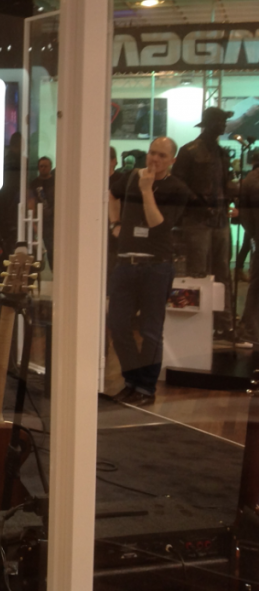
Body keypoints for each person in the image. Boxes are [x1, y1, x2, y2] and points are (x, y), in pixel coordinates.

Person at [108, 137, 190, 406]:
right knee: (118, 325)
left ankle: (145, 388)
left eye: (162, 155)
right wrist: (115, 223)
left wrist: (146, 191)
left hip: (157, 266)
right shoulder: (132, 176)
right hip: (126, 263)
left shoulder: (177, 189)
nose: (155, 159)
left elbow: (157, 223)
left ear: (172, 160)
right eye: (152, 153)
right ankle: (132, 380)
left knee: (150, 330)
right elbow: (111, 193)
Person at [171, 106, 235, 336]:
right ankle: (195, 326)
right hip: (197, 220)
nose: (224, 125)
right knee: (197, 273)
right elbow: (178, 183)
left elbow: (225, 182)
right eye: (220, 121)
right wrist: (199, 204)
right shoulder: (189, 151)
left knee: (223, 272)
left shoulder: (222, 152)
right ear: (210, 123)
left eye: (224, 121)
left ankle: (224, 324)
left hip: (220, 220)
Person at [238, 151, 259, 346]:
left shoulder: (250, 179)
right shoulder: (254, 180)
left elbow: (244, 215)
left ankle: (248, 327)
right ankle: (250, 330)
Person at [29, 156, 55, 268]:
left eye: (46, 166)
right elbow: (31, 204)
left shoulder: (56, 182)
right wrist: (33, 223)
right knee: (46, 249)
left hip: (55, 220)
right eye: (41, 166)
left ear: (50, 167)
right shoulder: (34, 184)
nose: (43, 168)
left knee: (55, 248)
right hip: (42, 222)